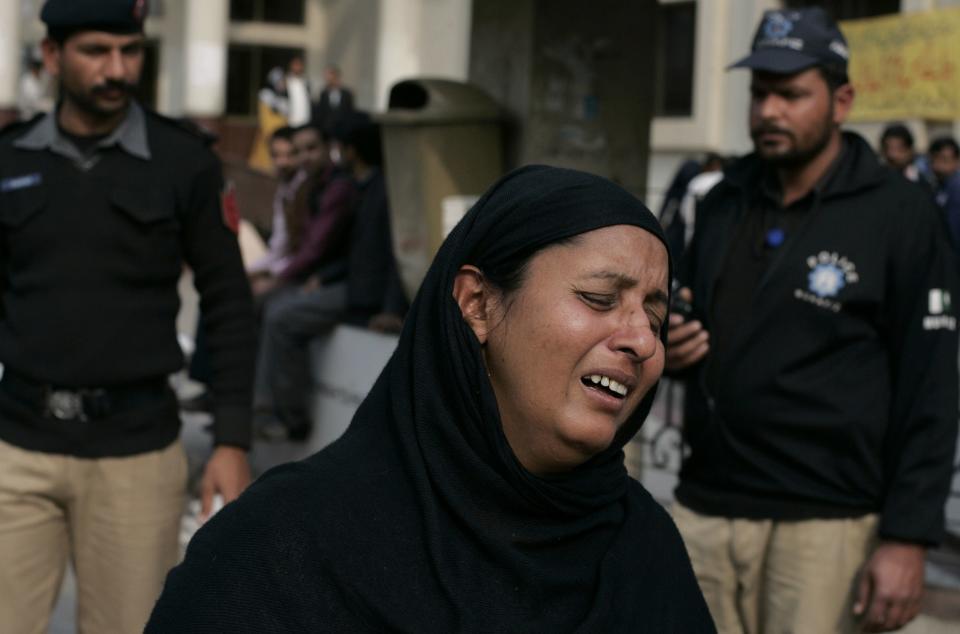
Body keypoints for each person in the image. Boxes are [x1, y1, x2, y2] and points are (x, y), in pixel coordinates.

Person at [146, 165, 715, 632]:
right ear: (476, 303)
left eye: (656, 316)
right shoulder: (280, 545)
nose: (641, 339)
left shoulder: (645, 550)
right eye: (598, 297)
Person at [666, 8, 959, 634]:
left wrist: (907, 537)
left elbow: (931, 388)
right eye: (759, 93)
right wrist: (671, 342)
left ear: (841, 100)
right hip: (705, 510)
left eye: (791, 94)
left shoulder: (900, 214)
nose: (769, 111)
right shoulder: (722, 201)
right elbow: (684, 311)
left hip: (826, 527)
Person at [0, 1, 256, 632]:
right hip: (17, 447)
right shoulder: (8, 160)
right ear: (53, 56)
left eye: (131, 50)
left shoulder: (184, 163)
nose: (117, 69)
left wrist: (231, 438)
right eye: (96, 51)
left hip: (136, 454)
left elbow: (228, 299)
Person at [252, 123, 358, 440]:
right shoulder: (309, 187)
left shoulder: (338, 188)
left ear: (328, 147)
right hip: (318, 277)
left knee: (279, 314)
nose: (305, 158)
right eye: (299, 151)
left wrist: (286, 277)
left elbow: (317, 247)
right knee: (253, 301)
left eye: (312, 148)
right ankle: (252, 405)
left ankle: (286, 416)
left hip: (343, 283)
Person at [247, 66, 289, 173]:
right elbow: (265, 118)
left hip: (281, 134)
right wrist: (271, 132)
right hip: (269, 134)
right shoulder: (266, 96)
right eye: (281, 81)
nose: (283, 84)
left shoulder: (284, 98)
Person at [930, 136, 960, 251]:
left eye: (944, 160)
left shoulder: (956, 187)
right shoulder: (938, 186)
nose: (938, 166)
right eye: (934, 160)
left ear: (957, 161)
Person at [312, 63, 355, 137]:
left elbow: (350, 111)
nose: (326, 77)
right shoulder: (323, 93)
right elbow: (321, 112)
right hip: (327, 131)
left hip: (343, 131)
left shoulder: (347, 93)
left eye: (329, 75)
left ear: (335, 76)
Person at [18, 48, 54, 120]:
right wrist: (48, 105)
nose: (40, 70)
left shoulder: (41, 79)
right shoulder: (27, 82)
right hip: (28, 118)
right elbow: (34, 102)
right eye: (37, 67)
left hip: (39, 117)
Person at [285, 55, 313, 127]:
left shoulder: (306, 80)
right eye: (295, 65)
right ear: (291, 66)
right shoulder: (286, 81)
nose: (297, 67)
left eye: (299, 65)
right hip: (290, 119)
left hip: (305, 118)